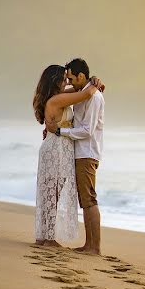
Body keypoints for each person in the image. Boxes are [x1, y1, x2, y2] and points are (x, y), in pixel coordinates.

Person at [32, 65, 101, 246]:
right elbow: (85, 94)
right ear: (55, 81)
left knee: (51, 193)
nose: (67, 82)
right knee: (53, 193)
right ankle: (48, 238)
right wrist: (95, 83)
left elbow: (79, 89)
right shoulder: (58, 99)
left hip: (57, 148)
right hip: (57, 149)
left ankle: (44, 236)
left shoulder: (56, 97)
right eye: (64, 79)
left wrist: (90, 81)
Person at [54, 58, 106, 255]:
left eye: (71, 78)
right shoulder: (83, 93)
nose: (69, 82)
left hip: (87, 153)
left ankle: (94, 247)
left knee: (89, 199)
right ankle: (89, 245)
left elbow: (87, 131)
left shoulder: (94, 97)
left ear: (81, 76)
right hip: (81, 153)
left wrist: (61, 132)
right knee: (85, 200)